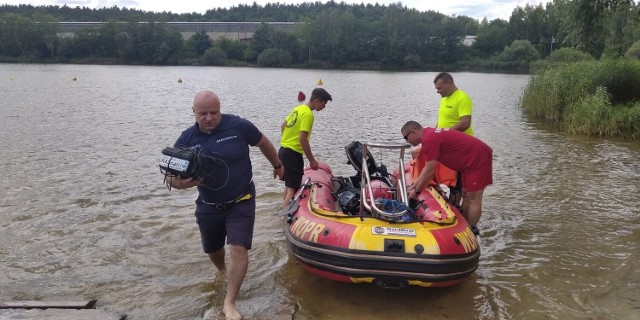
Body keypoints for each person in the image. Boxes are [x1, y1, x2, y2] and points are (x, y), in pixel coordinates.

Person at [166, 90, 284, 320]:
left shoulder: (238, 126)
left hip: (241, 200)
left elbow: (263, 142)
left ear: (220, 110)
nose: (209, 117)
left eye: (214, 112)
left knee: (239, 248)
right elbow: (170, 177)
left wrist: (278, 165)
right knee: (212, 250)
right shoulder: (187, 140)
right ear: (193, 112)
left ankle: (229, 303)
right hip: (208, 204)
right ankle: (222, 271)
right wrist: (181, 184)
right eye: (203, 113)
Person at [401, 121, 492, 233]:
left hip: (478, 158)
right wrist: (413, 187)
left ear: (413, 132)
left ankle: (471, 230)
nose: (406, 141)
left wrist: (417, 192)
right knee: (465, 195)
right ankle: (465, 226)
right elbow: (426, 169)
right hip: (468, 163)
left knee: (474, 199)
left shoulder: (430, 139)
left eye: (406, 137)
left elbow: (430, 171)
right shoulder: (429, 136)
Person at [279, 87, 333, 207]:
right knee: (292, 189)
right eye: (324, 104)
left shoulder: (298, 109)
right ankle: (286, 218)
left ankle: (283, 209)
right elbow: (303, 139)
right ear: (317, 101)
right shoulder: (308, 114)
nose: (324, 107)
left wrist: (287, 140)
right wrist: (312, 160)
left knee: (289, 186)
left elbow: (283, 126)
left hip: (283, 150)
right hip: (293, 154)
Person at [433, 72, 475, 207]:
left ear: (449, 82)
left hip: (461, 148)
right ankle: (447, 206)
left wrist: (444, 134)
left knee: (457, 184)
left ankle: (457, 214)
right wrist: (434, 135)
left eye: (440, 88)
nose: (438, 91)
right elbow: (441, 123)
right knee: (449, 181)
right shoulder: (444, 99)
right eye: (436, 89)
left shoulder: (462, 98)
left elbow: (465, 123)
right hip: (446, 146)